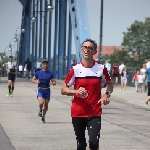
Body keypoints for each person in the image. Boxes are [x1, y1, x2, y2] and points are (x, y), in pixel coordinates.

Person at [61, 39, 113, 150]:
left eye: (90, 48)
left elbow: (110, 85)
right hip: (78, 111)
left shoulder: (101, 68)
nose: (87, 50)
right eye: (84, 47)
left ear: (95, 51)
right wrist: (75, 91)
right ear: (81, 50)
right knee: (81, 145)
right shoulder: (75, 69)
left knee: (94, 144)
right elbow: (63, 89)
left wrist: (106, 95)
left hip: (95, 111)